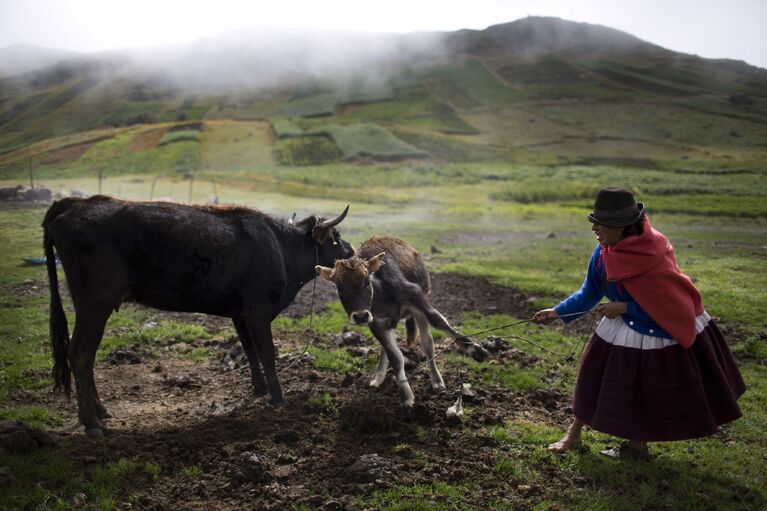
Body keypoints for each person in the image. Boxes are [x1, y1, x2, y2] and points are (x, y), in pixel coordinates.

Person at [533, 187, 746, 459]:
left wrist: (625, 306)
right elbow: (589, 292)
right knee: (591, 376)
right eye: (594, 222)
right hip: (622, 327)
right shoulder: (602, 253)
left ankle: (636, 447)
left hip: (660, 330)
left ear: (621, 226)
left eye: (602, 224)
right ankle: (573, 435)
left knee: (643, 389)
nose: (595, 228)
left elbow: (673, 304)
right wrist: (558, 311)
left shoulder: (654, 252)